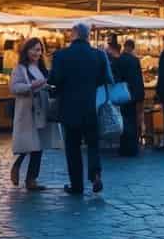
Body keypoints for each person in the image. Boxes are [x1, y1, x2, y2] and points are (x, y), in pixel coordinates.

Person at [49, 23, 111, 195]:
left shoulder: (61, 55)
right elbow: (105, 78)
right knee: (93, 144)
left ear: (74, 34)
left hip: (69, 107)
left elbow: (54, 79)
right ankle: (95, 174)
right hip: (91, 106)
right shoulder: (98, 55)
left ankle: (77, 185)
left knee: (73, 147)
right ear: (88, 35)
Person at [9, 38, 61, 191]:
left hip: (41, 109)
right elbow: (14, 88)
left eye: (39, 50)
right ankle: (18, 165)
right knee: (30, 143)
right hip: (27, 110)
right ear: (26, 51)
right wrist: (31, 86)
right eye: (33, 49)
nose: (36, 53)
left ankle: (32, 179)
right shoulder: (20, 68)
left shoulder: (43, 68)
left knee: (39, 145)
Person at [113, 39, 145, 157]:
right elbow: (138, 79)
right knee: (132, 119)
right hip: (133, 94)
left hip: (122, 94)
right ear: (132, 48)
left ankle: (124, 147)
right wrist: (140, 94)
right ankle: (133, 147)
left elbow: (116, 78)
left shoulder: (118, 60)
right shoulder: (135, 60)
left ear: (124, 47)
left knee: (123, 119)